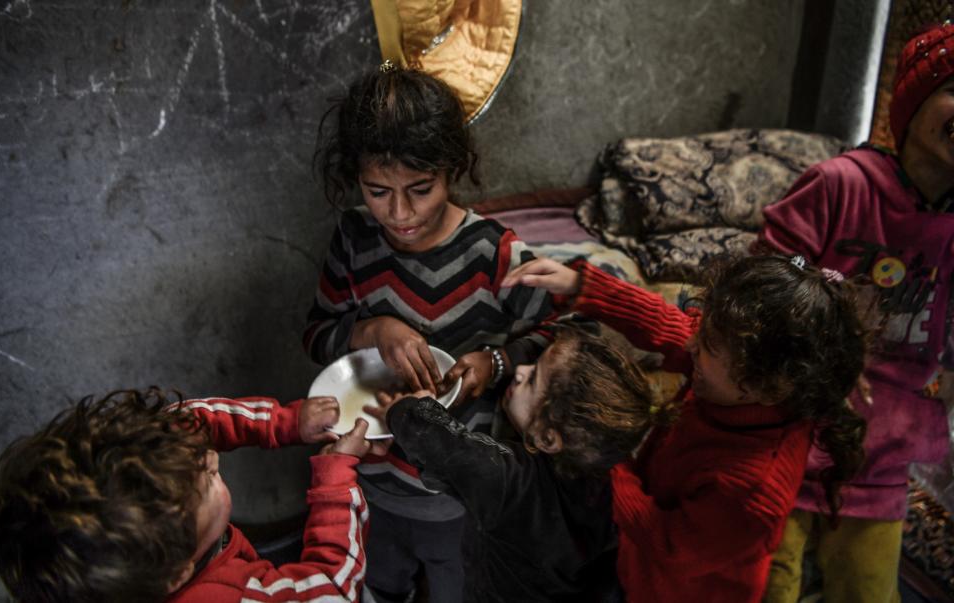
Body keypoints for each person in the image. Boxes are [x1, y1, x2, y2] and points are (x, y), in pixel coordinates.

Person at [305, 63, 554, 601]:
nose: (399, 213)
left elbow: (559, 331)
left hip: (459, 497)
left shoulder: (494, 251)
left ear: (453, 168)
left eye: (421, 189)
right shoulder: (353, 238)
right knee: (378, 586)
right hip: (369, 480)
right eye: (377, 191)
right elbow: (317, 334)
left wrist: (498, 363)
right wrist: (370, 329)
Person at [501, 254, 869, 602]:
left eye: (707, 343)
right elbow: (671, 327)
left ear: (763, 387)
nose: (692, 342)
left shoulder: (755, 489)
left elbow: (665, 543)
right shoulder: (742, 379)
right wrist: (583, 285)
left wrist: (605, 456)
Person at [752, 20, 954, 603]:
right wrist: (822, 315)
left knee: (868, 593)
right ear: (912, 103)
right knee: (767, 587)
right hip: (790, 434)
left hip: (881, 460)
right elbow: (767, 274)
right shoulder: (841, 183)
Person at [0, 388, 377, 603]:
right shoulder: (221, 597)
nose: (211, 457)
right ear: (178, 574)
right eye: (209, 478)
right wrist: (334, 480)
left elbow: (191, 422)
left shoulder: (139, 459)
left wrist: (285, 423)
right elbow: (332, 589)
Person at [366, 327, 664, 602]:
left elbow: (443, 446)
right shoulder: (610, 473)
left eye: (533, 379)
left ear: (548, 438)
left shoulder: (514, 483)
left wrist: (406, 409)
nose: (520, 371)